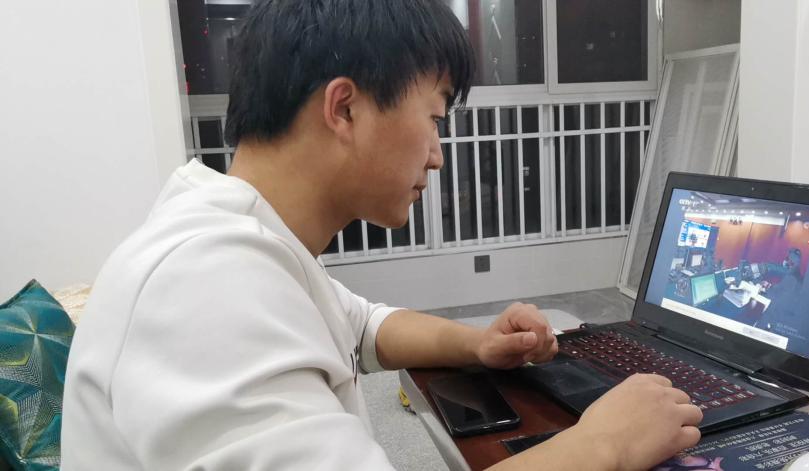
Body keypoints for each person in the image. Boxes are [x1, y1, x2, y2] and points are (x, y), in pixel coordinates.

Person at [60, 1, 703, 470]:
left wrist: (480, 345)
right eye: (434, 116)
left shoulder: (246, 238)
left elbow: (363, 325)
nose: (438, 155)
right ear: (344, 109)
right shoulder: (207, 286)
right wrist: (604, 443)